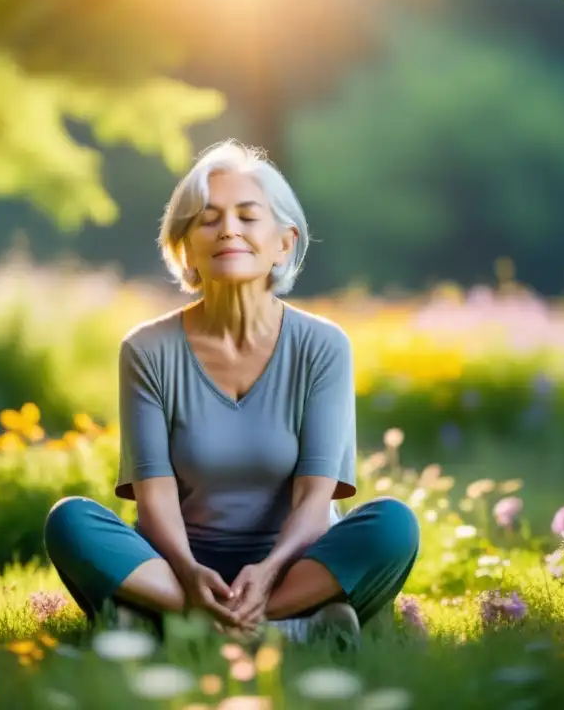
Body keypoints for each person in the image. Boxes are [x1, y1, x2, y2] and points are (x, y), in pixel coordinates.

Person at [43, 140, 420, 646]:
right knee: (70, 522)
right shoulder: (147, 349)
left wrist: (267, 574)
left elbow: (314, 500)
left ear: (283, 243)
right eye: (208, 219)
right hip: (177, 563)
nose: (228, 230)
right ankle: (287, 625)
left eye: (247, 216)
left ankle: (176, 623)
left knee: (393, 527)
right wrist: (190, 575)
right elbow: (154, 501)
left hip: (294, 562)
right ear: (185, 246)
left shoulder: (323, 346)